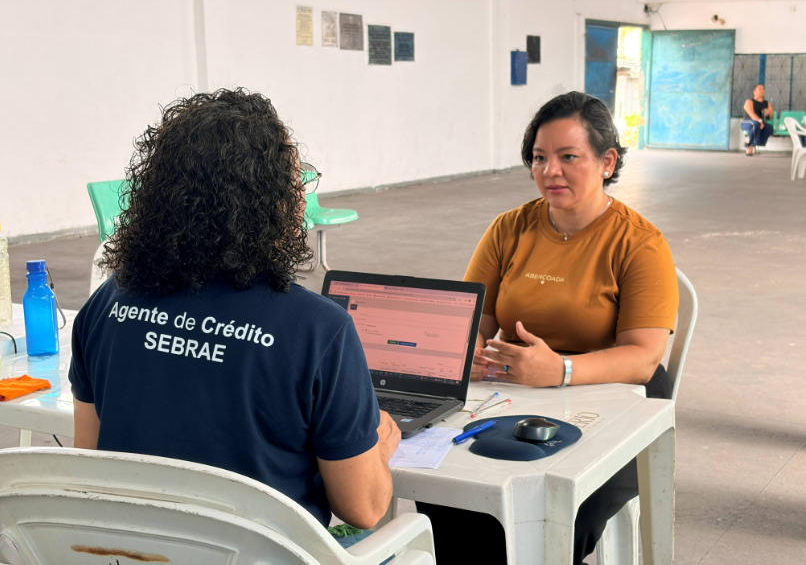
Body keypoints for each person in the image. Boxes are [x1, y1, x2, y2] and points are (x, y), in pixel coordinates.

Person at [69, 88, 401, 532]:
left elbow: (89, 465)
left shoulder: (105, 306)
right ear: (272, 200)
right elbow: (363, 508)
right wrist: (376, 445)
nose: (301, 196)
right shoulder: (319, 331)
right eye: (295, 180)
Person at [417, 91, 679, 565]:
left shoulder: (640, 244)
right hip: (515, 393)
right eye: (539, 158)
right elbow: (471, 320)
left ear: (606, 161)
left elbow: (643, 357)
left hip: (617, 398)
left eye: (568, 157)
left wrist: (559, 370)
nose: (549, 171)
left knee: (560, 513)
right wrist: (469, 352)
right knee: (448, 495)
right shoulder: (508, 229)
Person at [741, 84, 773, 155]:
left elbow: (771, 117)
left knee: (769, 128)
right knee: (755, 124)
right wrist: (760, 121)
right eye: (760, 89)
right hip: (747, 123)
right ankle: (750, 147)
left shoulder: (767, 103)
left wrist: (768, 113)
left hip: (759, 124)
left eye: (763, 89)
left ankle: (754, 143)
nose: (762, 91)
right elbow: (751, 114)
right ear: (754, 91)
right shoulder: (749, 102)